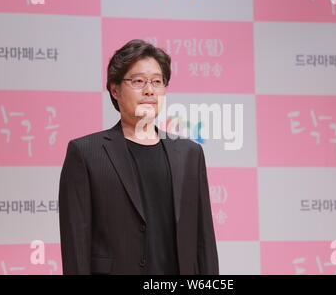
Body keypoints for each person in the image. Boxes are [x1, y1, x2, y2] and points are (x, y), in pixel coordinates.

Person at [58, 39, 219, 275]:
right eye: (138, 81)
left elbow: (203, 241)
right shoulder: (85, 153)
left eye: (157, 81)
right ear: (115, 89)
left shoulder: (189, 154)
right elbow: (76, 245)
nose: (149, 90)